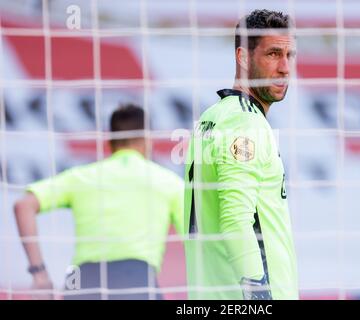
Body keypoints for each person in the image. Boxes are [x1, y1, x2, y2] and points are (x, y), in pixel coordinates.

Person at [184, 9, 298, 300]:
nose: (285, 67)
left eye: (289, 55)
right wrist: (258, 293)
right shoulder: (245, 123)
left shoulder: (211, 117)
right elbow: (235, 219)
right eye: (273, 54)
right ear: (243, 57)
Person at [14, 104, 184, 300]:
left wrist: (39, 274)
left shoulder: (83, 176)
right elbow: (197, 239)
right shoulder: (166, 180)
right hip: (136, 278)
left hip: (81, 280)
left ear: (110, 140)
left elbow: (23, 205)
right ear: (147, 139)